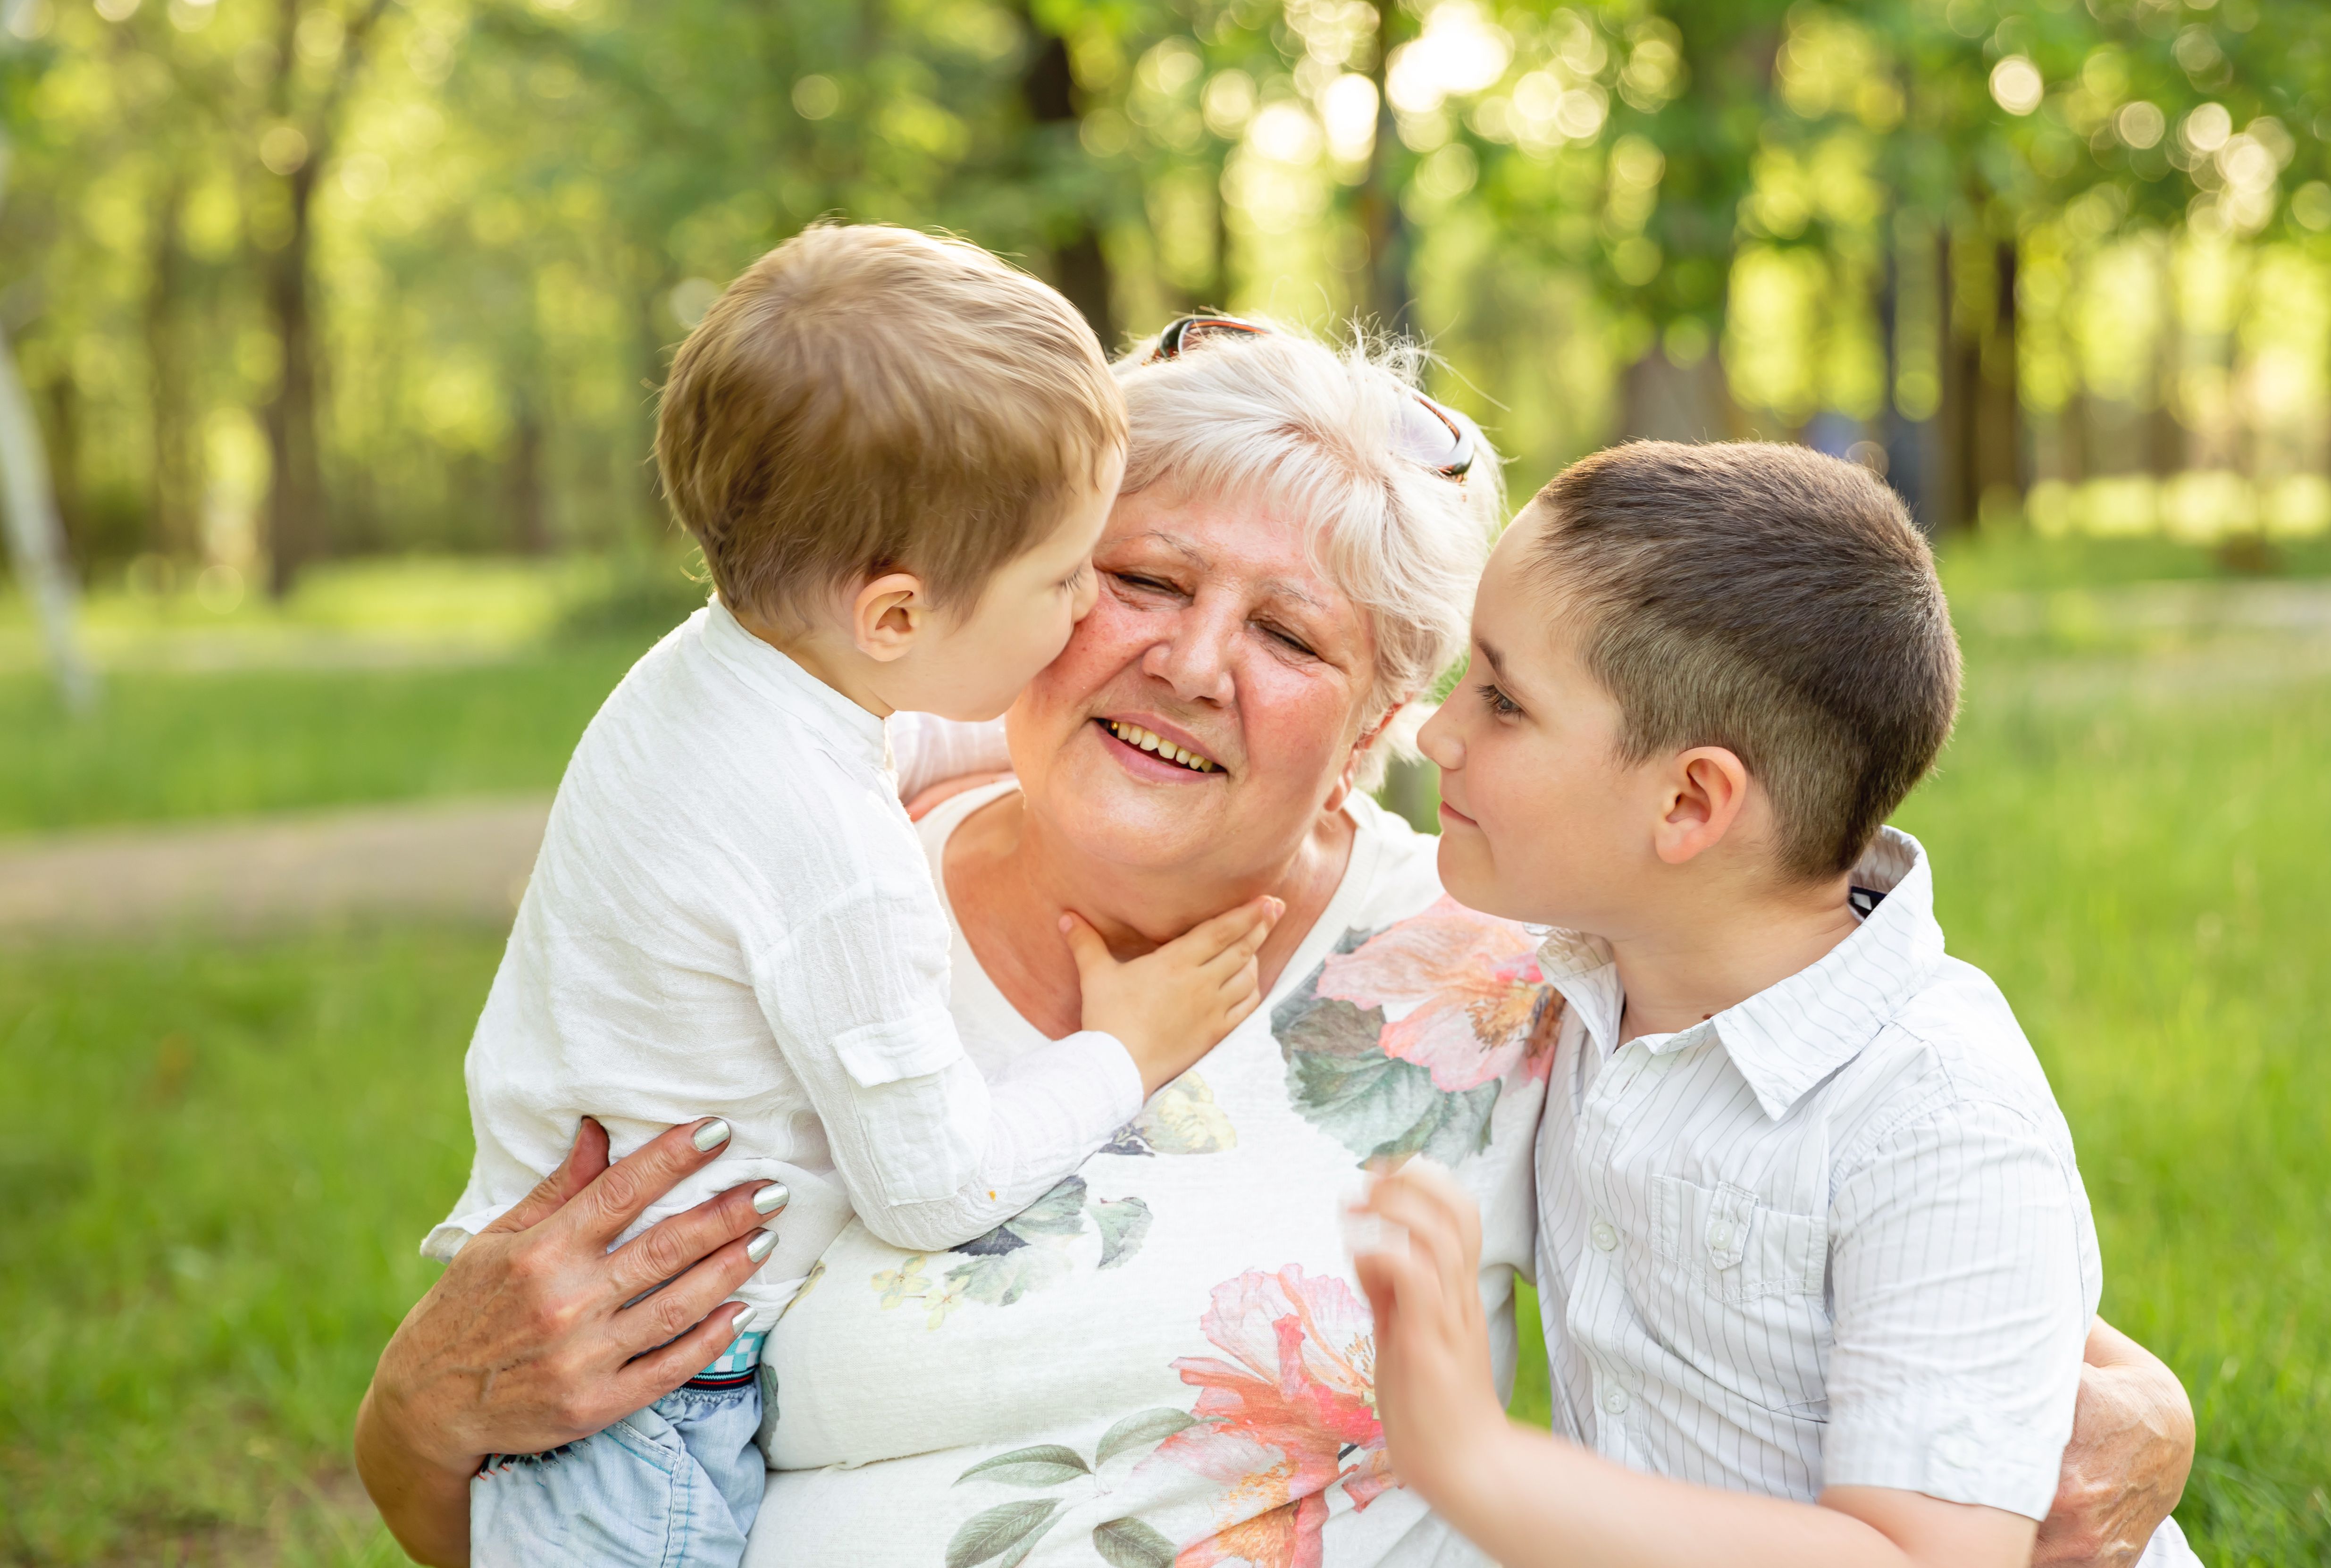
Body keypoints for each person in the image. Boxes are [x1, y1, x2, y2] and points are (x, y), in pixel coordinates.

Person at [355, 328, 2196, 1568]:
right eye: (1140, 580)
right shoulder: (794, 903)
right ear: (1031, 590)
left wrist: (2142, 1418)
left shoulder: (1496, 962)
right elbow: (548, 1483)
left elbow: (1842, 1185)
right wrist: (414, 1418)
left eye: (1291, 635)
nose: (1188, 660)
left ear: (1392, 718)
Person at [425, 227, 1277, 1568]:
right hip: (646, 1413)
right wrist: (1125, 1049)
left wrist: (1098, 741)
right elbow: (931, 1185)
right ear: (893, 616)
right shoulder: (838, 866)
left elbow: (896, 735)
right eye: (1066, 577)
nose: (1080, 614)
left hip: (604, 1343)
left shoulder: (717, 672)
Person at [1345, 442, 2200, 1567]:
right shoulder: (1590, 971)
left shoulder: (1935, 1115)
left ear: (1690, 803)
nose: (1437, 730)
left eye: (1503, 699)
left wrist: (1477, 1460)